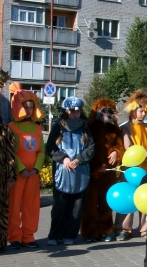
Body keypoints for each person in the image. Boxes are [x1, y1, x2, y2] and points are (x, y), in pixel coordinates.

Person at [46, 97, 95, 245]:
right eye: (72, 111)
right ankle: (55, 235)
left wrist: (79, 159)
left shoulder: (85, 127)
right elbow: (50, 147)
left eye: (78, 111)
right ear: (66, 111)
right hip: (63, 170)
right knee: (60, 205)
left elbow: (91, 147)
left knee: (77, 206)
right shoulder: (58, 126)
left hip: (80, 170)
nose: (75, 114)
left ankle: (70, 235)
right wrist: (64, 158)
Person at [114, 89, 147, 240]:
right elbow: (127, 148)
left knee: (144, 198)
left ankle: (144, 229)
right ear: (132, 110)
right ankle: (123, 229)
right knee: (128, 198)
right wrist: (143, 154)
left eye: (145, 111)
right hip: (130, 170)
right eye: (140, 111)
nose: (143, 114)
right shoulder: (125, 128)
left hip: (145, 169)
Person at [7, 82, 45, 249]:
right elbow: (11, 152)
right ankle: (14, 236)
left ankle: (28, 235)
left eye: (31, 107)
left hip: (33, 174)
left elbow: (41, 151)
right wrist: (21, 169)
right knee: (14, 205)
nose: (29, 110)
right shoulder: (11, 127)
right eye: (26, 106)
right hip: (18, 174)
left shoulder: (37, 128)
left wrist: (35, 168)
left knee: (31, 205)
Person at [80, 98, 124, 242]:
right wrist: (96, 167)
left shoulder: (114, 128)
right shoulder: (90, 127)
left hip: (109, 173)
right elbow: (87, 149)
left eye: (110, 111)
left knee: (106, 203)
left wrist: (116, 152)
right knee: (90, 204)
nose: (108, 114)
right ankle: (90, 232)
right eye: (104, 111)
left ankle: (106, 230)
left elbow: (120, 145)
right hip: (93, 172)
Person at [0, 120, 17, 253]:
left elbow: (10, 156)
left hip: (1, 177)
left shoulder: (5, 131)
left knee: (1, 210)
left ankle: (0, 242)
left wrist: (11, 177)